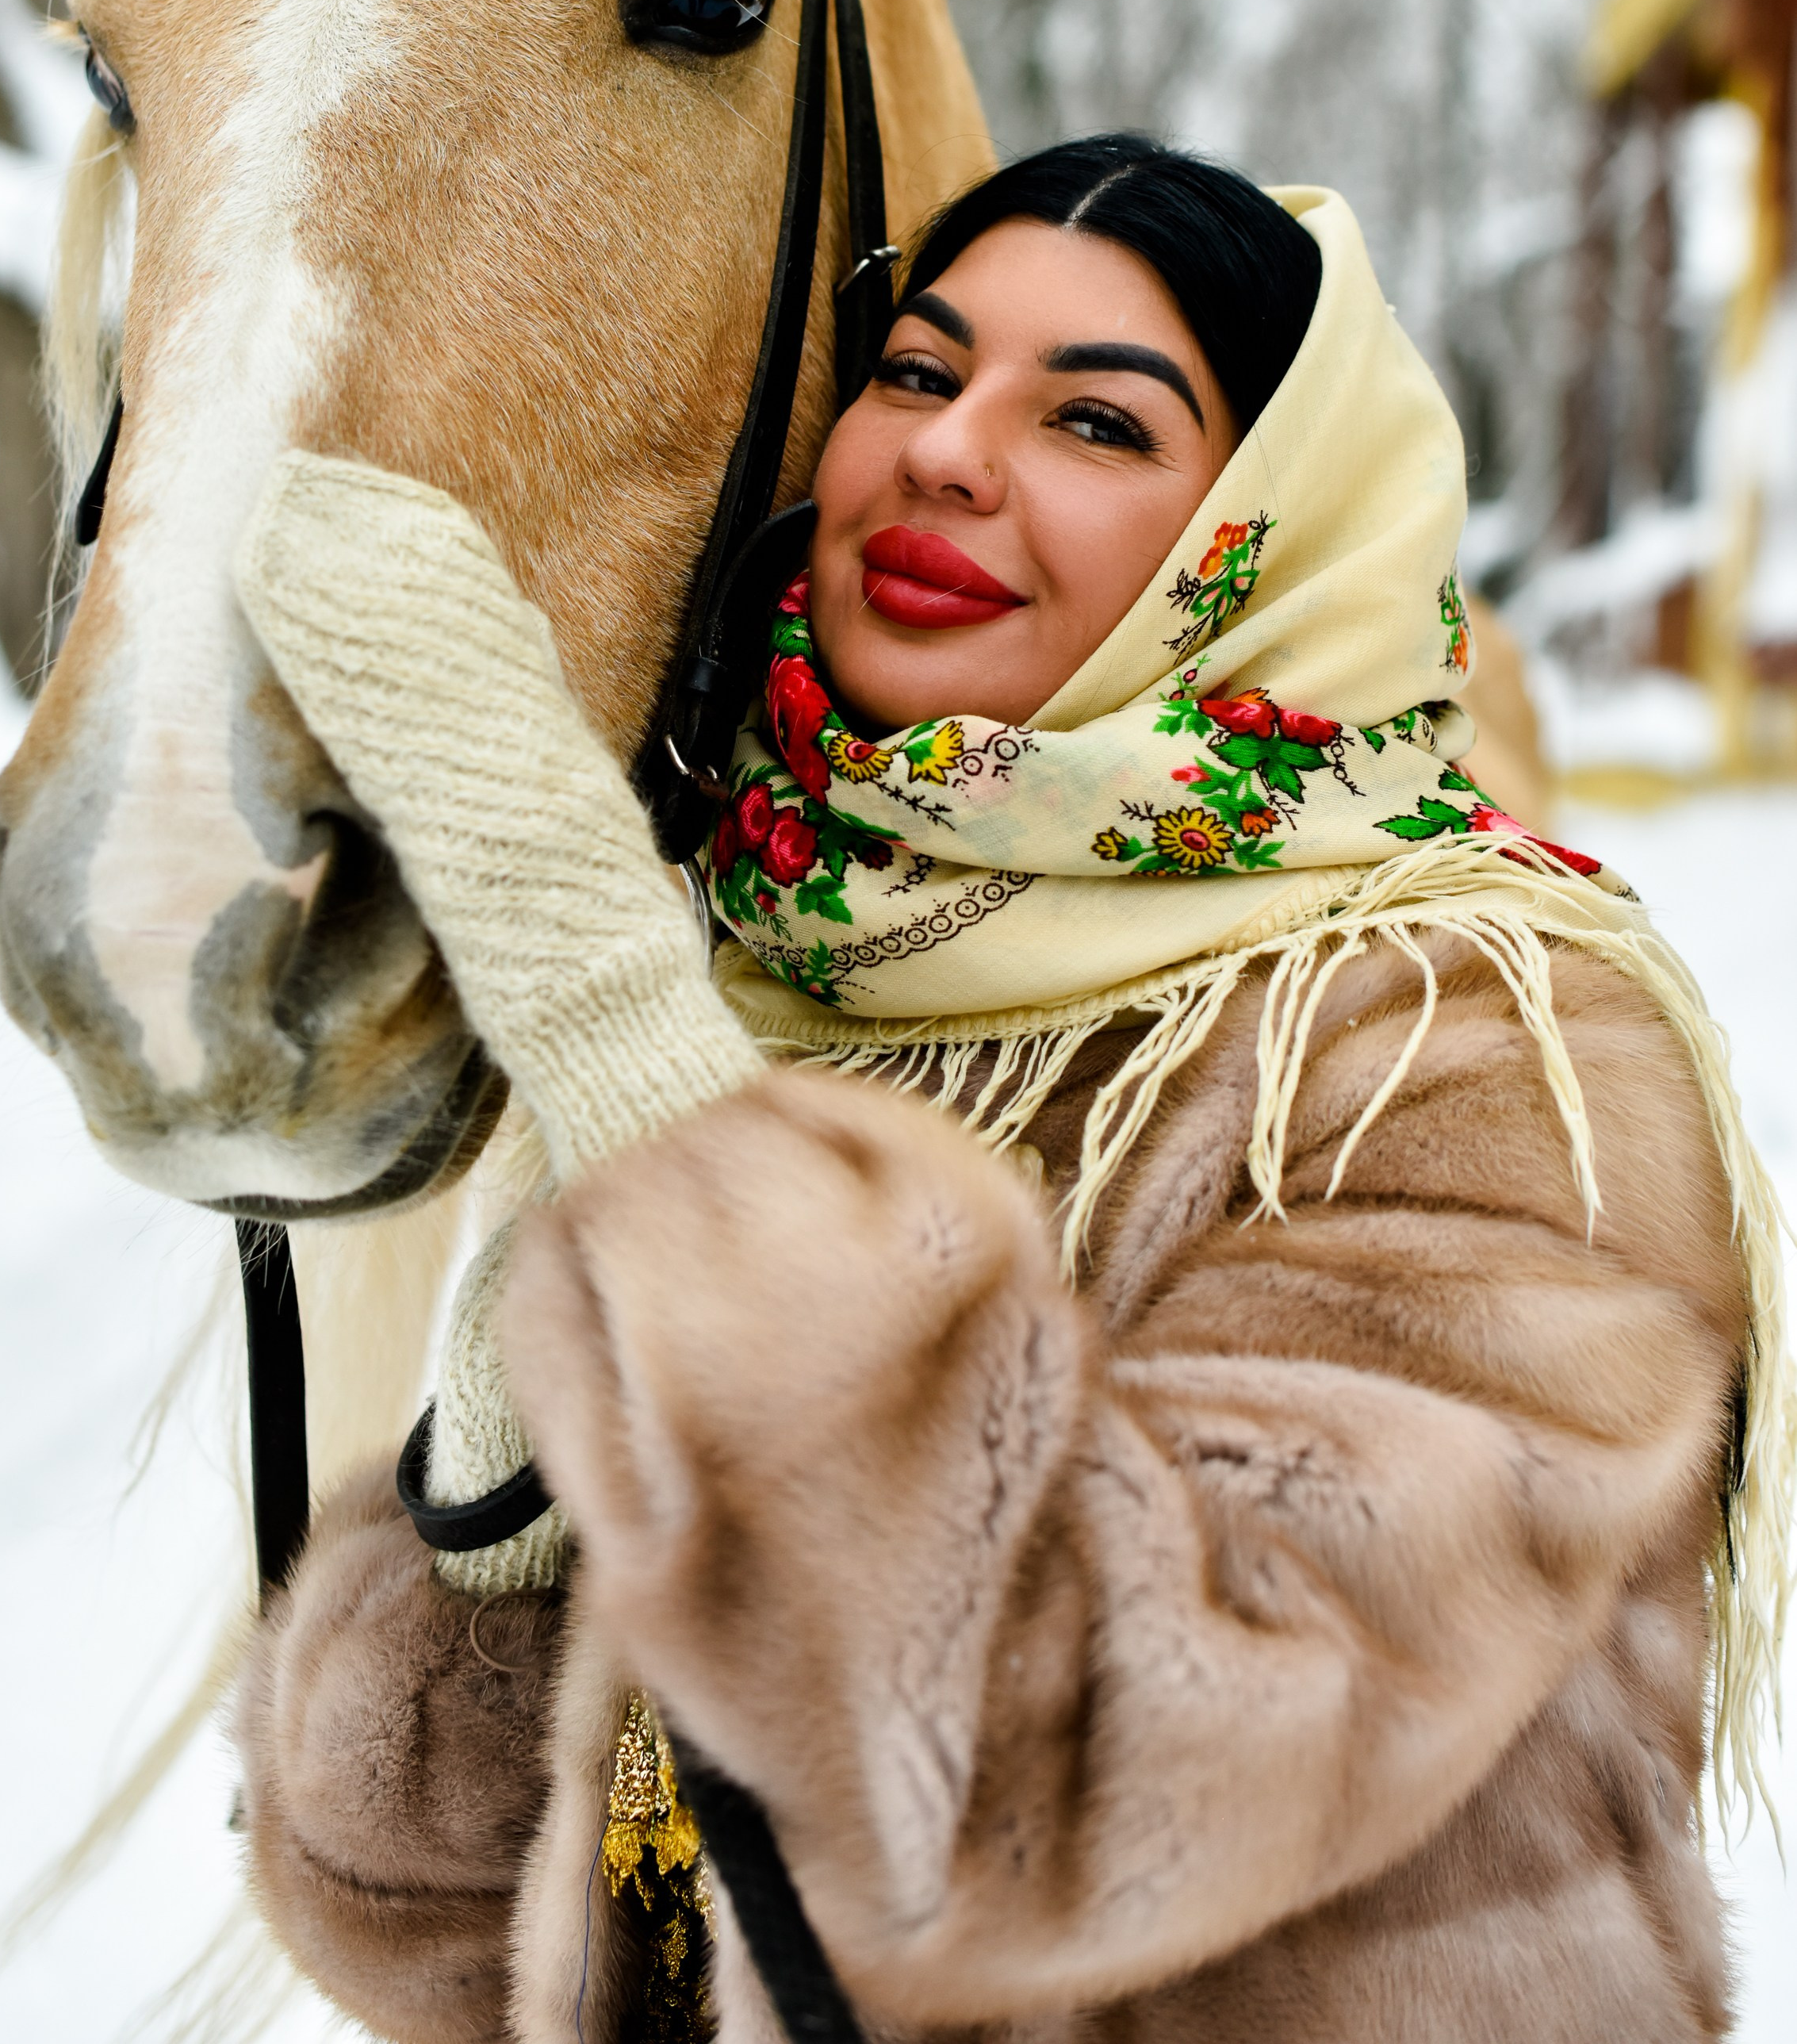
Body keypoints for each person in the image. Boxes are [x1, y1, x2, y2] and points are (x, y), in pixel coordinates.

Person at [231, 136, 1788, 2044]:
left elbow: (1074, 1780)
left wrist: (613, 1026)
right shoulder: (788, 964)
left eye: (1100, 423)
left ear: (1276, 531)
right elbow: (435, 1930)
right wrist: (495, 1506)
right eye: (915, 370)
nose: (950, 450)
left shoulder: (1461, 1039)